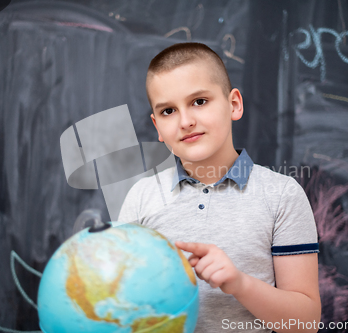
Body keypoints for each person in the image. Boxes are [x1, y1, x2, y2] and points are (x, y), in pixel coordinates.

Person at [118, 42, 321, 333]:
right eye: (168, 111)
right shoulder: (141, 197)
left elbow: (306, 323)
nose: (186, 121)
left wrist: (239, 284)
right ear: (157, 127)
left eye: (199, 101)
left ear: (234, 105)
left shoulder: (283, 195)